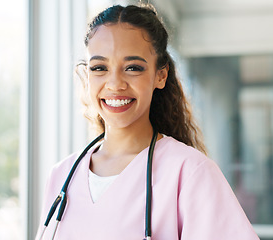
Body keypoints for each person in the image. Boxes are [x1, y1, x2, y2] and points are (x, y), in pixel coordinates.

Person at [36, 4, 259, 240]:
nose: (115, 84)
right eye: (100, 68)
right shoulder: (61, 176)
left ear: (160, 75)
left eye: (133, 68)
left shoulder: (190, 172)